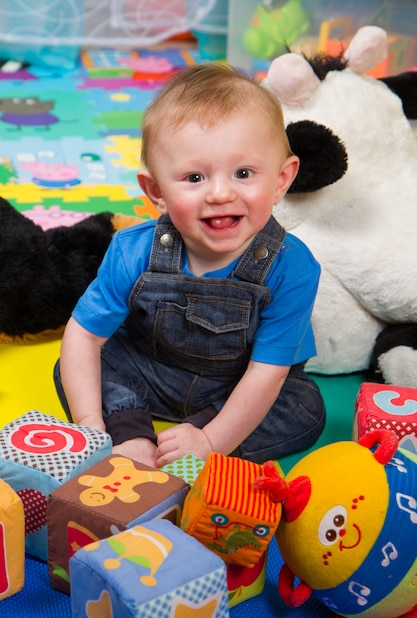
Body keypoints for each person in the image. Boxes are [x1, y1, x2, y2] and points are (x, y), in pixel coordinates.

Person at [54, 63, 325, 469]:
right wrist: (93, 427)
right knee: (74, 367)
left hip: (238, 387)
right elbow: (84, 336)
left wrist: (211, 439)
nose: (220, 193)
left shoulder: (292, 267)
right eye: (194, 177)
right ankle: (128, 432)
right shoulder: (134, 251)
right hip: (149, 372)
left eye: (244, 173)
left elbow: (266, 372)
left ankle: (194, 439)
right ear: (156, 192)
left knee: (304, 407)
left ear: (282, 180)